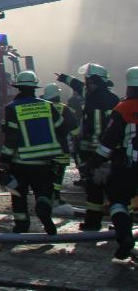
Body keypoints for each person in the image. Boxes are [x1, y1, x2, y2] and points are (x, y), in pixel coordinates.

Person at [0, 71, 63, 235]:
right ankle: (43, 210)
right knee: (44, 191)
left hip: (20, 162)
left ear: (18, 88)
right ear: (35, 87)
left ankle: (21, 225)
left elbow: (11, 138)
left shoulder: (12, 108)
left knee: (19, 194)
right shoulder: (48, 106)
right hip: (44, 162)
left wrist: (4, 160)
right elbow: (61, 127)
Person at [58, 63, 120, 230]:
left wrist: (94, 157)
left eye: (89, 81)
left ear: (97, 82)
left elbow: (101, 131)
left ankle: (113, 223)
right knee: (95, 190)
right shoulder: (97, 95)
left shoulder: (101, 100)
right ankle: (101, 223)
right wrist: (65, 78)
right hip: (102, 152)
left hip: (100, 152)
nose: (86, 85)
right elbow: (78, 86)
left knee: (108, 190)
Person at [94, 66, 138, 261]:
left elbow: (109, 140)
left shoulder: (123, 108)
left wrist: (96, 161)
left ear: (129, 87)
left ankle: (125, 237)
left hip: (128, 166)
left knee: (117, 199)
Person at [40, 83, 79, 208]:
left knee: (45, 175)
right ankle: (55, 197)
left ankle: (45, 197)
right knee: (58, 175)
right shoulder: (64, 109)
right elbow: (75, 130)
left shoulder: (41, 107)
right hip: (61, 148)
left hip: (43, 149)